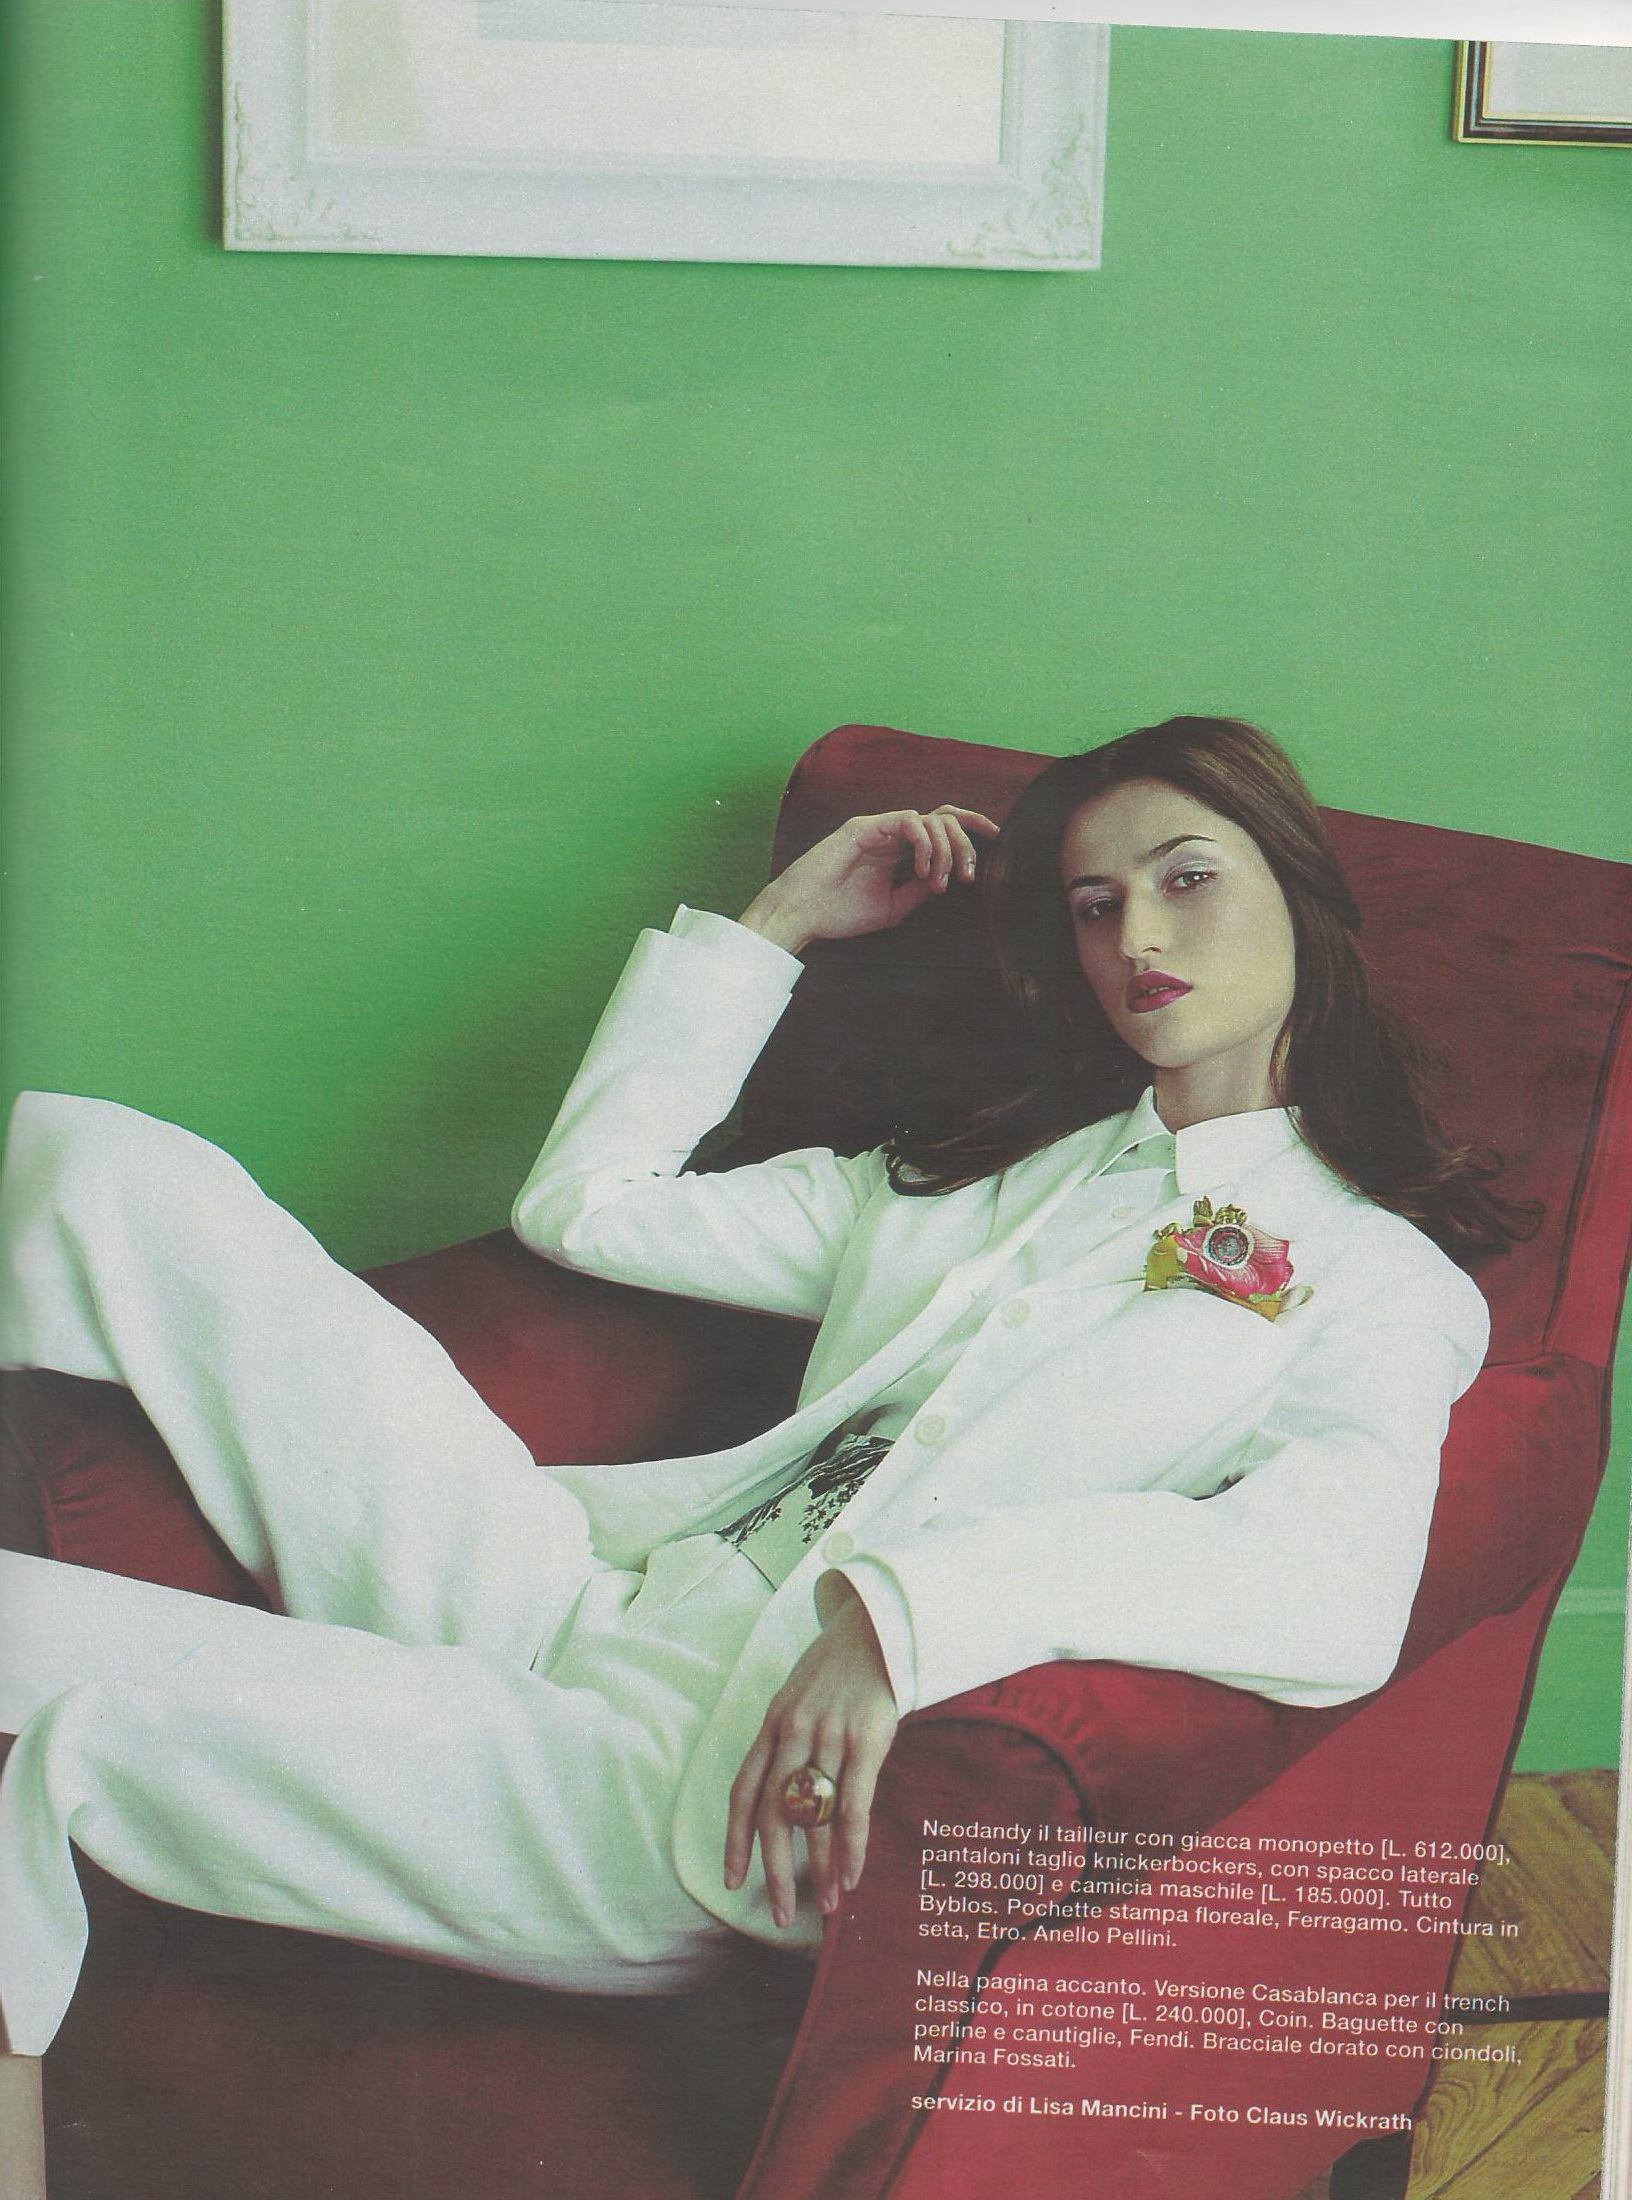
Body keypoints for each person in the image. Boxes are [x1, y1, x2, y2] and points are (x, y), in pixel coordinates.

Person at [0, 717, 1507, 2197]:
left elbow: (1334, 1580)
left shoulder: (1379, 1280)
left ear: (1300, 892)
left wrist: (903, 1616)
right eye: (1094, 904)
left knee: (52, 1717)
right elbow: (587, 1207)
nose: (1139, 938)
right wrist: (777, 927)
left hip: (690, 1784)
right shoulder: (973, 1179)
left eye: (1188, 879)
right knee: (105, 1165)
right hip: (576, 1589)